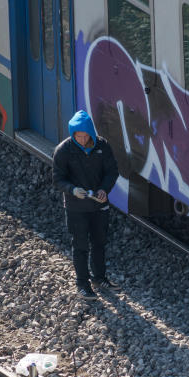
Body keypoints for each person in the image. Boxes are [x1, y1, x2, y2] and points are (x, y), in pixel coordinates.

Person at [53, 110, 119, 300]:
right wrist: (72, 189)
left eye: (85, 136)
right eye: (77, 136)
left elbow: (112, 172)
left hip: (99, 206)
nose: (81, 140)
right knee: (80, 245)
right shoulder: (64, 150)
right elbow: (58, 179)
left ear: (91, 132)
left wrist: (104, 189)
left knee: (99, 243)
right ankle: (82, 283)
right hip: (76, 208)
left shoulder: (102, 146)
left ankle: (100, 278)